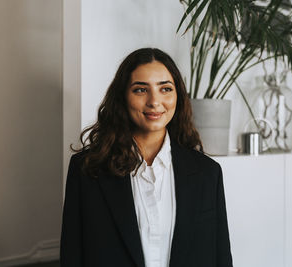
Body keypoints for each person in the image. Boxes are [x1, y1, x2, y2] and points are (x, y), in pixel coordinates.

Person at [60, 48, 233, 267]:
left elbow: (220, 258)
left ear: (177, 96)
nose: (154, 101)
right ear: (122, 97)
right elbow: (72, 255)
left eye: (165, 89)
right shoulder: (87, 169)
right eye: (141, 90)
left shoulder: (208, 173)